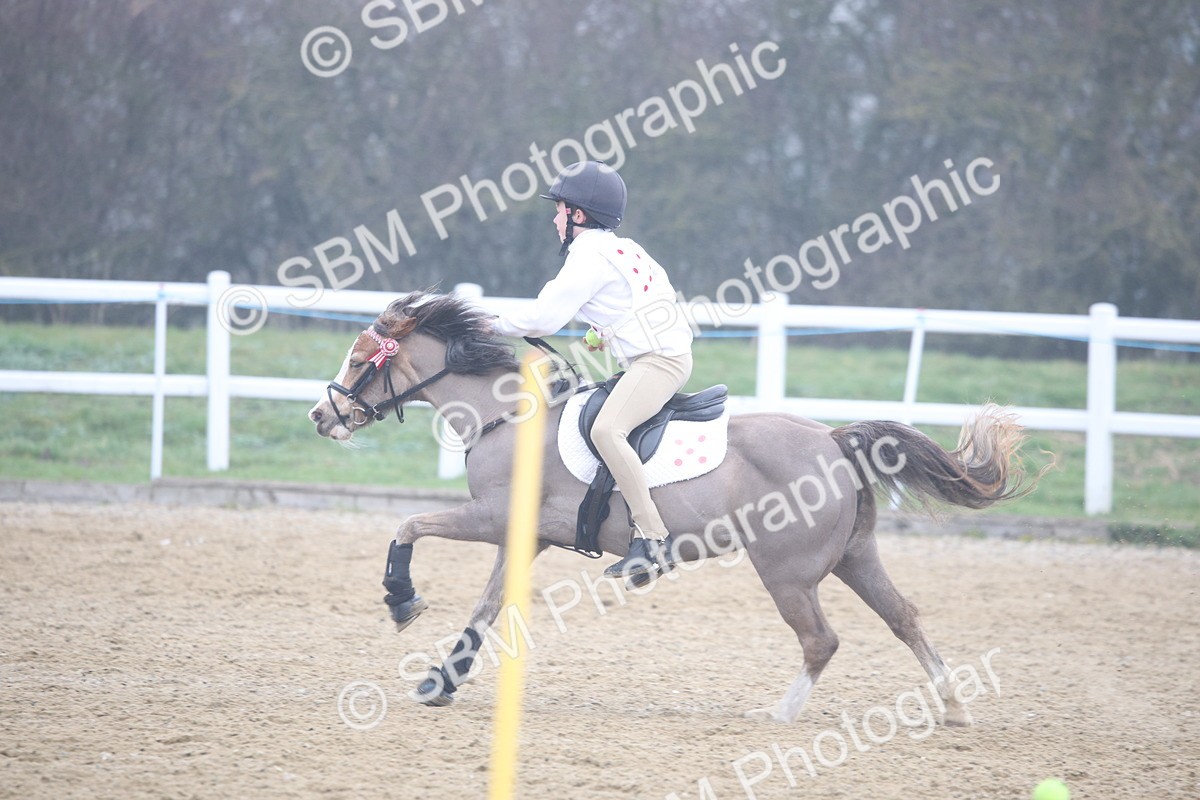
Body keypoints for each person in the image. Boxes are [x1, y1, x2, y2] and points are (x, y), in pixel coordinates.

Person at [492, 161, 694, 581]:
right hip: (658, 355)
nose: (555, 217)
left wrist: (485, 322)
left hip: (657, 362)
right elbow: (646, 297)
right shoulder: (625, 248)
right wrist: (605, 331)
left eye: (560, 209)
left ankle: (653, 539)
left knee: (606, 430)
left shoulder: (587, 258)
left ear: (578, 216)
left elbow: (540, 320)